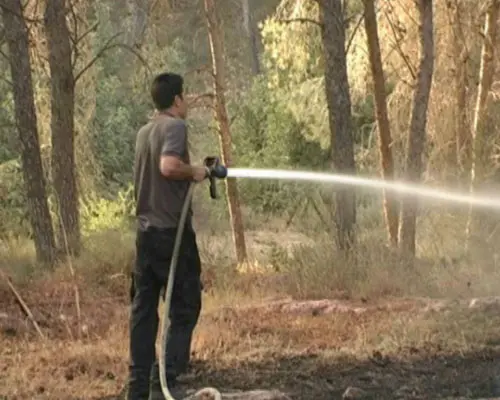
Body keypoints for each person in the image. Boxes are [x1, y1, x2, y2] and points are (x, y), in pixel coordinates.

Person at [127, 72, 209, 400]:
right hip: (171, 235)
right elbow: (169, 167)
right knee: (185, 306)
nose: (186, 102)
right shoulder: (175, 127)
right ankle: (165, 382)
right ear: (176, 99)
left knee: (144, 309)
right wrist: (197, 172)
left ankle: (137, 388)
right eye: (184, 96)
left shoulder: (144, 132)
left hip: (145, 237)